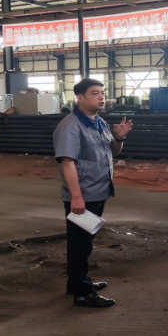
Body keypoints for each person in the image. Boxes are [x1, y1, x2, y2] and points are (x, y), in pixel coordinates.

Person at [53, 78, 133, 308]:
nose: (101, 97)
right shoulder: (70, 126)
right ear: (80, 97)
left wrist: (119, 137)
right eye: (95, 93)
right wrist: (76, 196)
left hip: (99, 191)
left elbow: (113, 152)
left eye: (102, 93)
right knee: (80, 244)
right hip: (84, 195)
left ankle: (77, 282)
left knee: (85, 241)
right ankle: (82, 293)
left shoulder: (99, 122)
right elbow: (67, 162)